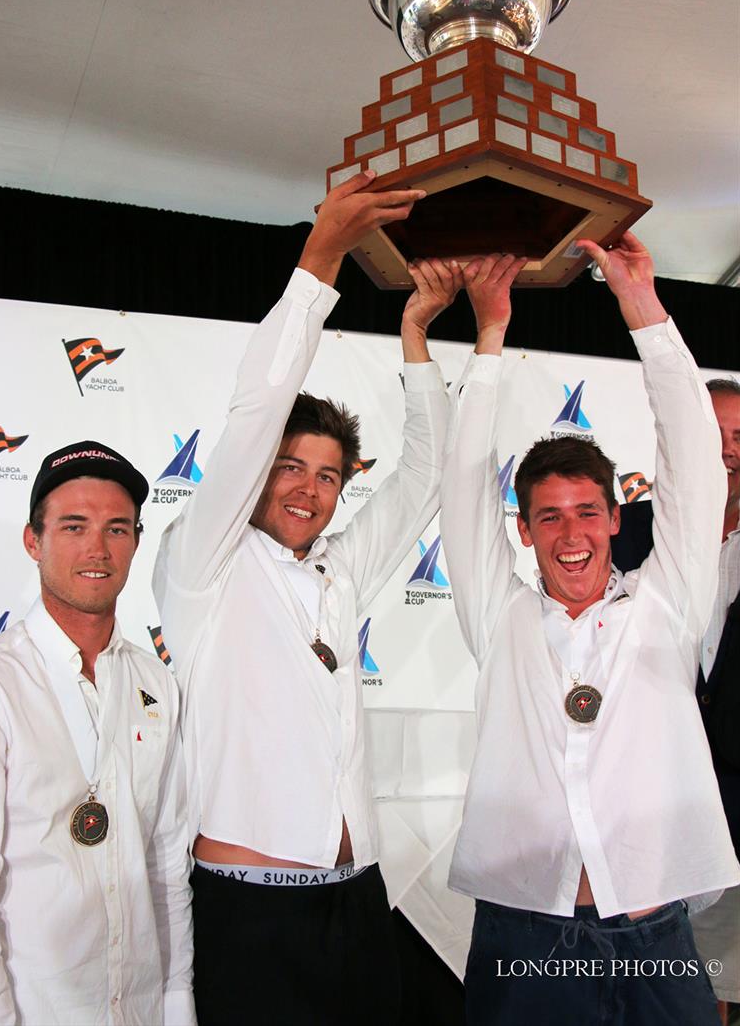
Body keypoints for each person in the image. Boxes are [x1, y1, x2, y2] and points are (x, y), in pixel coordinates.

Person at [153, 170, 460, 1025]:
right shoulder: (203, 561)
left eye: (327, 476)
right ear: (260, 474)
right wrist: (319, 260)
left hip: (357, 906)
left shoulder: (336, 572)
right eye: (290, 467)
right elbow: (255, 412)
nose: (308, 490)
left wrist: (414, 337)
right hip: (251, 913)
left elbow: (425, 478)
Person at [440, 236, 740, 1026]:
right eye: (549, 517)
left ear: (614, 518)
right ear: (526, 531)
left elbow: (698, 465)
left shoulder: (664, 603)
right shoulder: (500, 617)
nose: (571, 533)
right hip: (524, 938)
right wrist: (490, 336)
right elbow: (463, 482)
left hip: (655, 933)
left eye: (586, 512)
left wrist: (643, 308)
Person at [0, 441, 195, 1026]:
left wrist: (177, 1006)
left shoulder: (157, 682)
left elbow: (164, 865)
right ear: (34, 541)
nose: (97, 549)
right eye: (74, 526)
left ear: (135, 540)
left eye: (117, 529)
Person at [612, 378, 740, 1024]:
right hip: (647, 804)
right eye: (711, 434)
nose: (725, 451)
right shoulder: (620, 528)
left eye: (739, 437)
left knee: (721, 979)